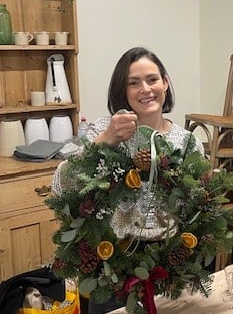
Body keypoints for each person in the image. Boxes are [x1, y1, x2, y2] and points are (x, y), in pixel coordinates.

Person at [53, 46, 204, 242]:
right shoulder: (104, 129)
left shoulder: (187, 143)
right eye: (133, 83)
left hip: (171, 250)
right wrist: (105, 140)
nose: (145, 89)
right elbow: (63, 183)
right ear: (123, 90)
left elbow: (197, 208)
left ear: (165, 83)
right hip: (112, 250)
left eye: (152, 80)